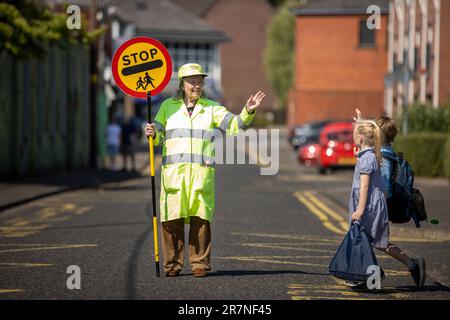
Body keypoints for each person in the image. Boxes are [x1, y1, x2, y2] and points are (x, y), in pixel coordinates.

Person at [145, 63, 265, 277]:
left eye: (200, 81)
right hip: (174, 176)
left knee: (201, 221)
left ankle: (200, 264)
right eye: (192, 81)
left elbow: (236, 125)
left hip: (201, 175)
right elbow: (158, 135)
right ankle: (172, 265)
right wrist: (152, 132)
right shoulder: (167, 107)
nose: (197, 85)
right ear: (182, 84)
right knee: (172, 220)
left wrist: (248, 110)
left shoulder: (212, 108)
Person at [350, 111, 426, 288]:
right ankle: (412, 265)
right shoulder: (384, 153)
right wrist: (361, 120)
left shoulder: (383, 158)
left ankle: (372, 275)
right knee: (378, 242)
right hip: (376, 205)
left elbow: (377, 186)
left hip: (374, 206)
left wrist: (365, 208)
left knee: (369, 240)